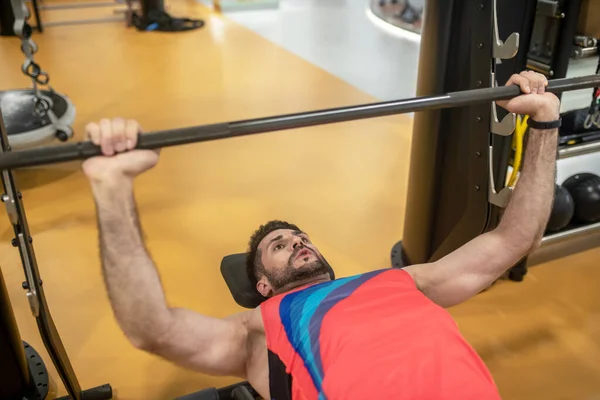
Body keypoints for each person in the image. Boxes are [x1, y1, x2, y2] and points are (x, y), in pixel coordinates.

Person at [82, 71, 560, 400]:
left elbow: (509, 242)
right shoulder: (260, 327)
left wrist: (544, 122)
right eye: (279, 245)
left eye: (299, 236)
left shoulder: (405, 281)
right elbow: (153, 329)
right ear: (262, 286)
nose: (297, 242)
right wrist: (113, 191)